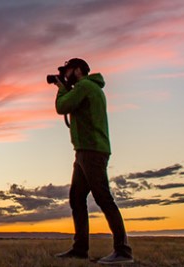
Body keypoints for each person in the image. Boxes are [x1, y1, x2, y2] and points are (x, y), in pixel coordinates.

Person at [51, 58, 133, 264]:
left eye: (68, 70)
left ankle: (123, 250)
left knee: (103, 197)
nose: (65, 75)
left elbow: (62, 106)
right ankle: (80, 249)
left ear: (78, 70)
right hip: (85, 151)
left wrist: (61, 89)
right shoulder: (90, 88)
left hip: (91, 150)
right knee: (77, 198)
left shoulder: (84, 86)